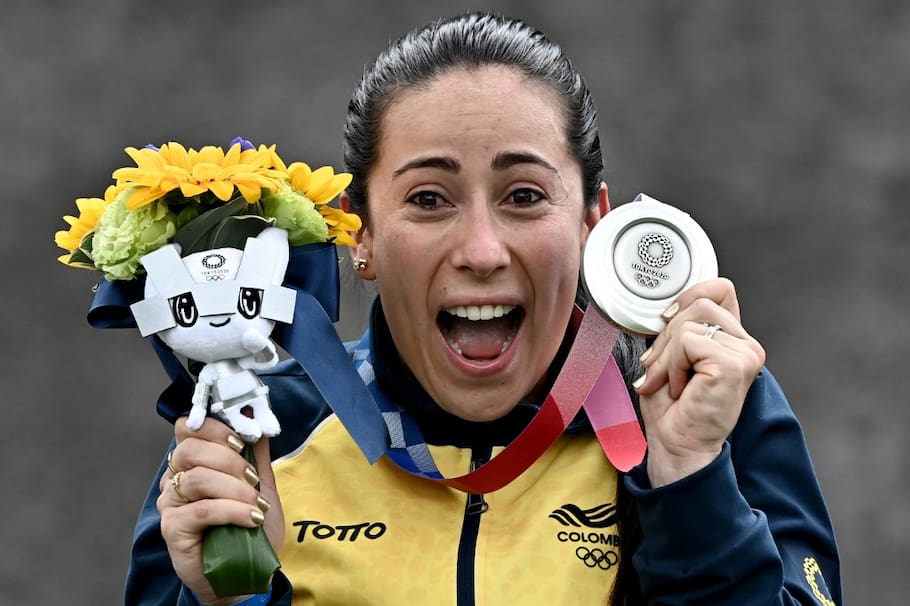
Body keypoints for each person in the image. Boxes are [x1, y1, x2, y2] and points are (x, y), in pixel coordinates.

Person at [126, 12, 841, 606]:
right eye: (428, 199)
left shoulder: (704, 411)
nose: (481, 250)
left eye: (524, 196)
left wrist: (689, 483)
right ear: (361, 234)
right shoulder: (255, 435)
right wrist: (232, 597)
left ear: (593, 223)